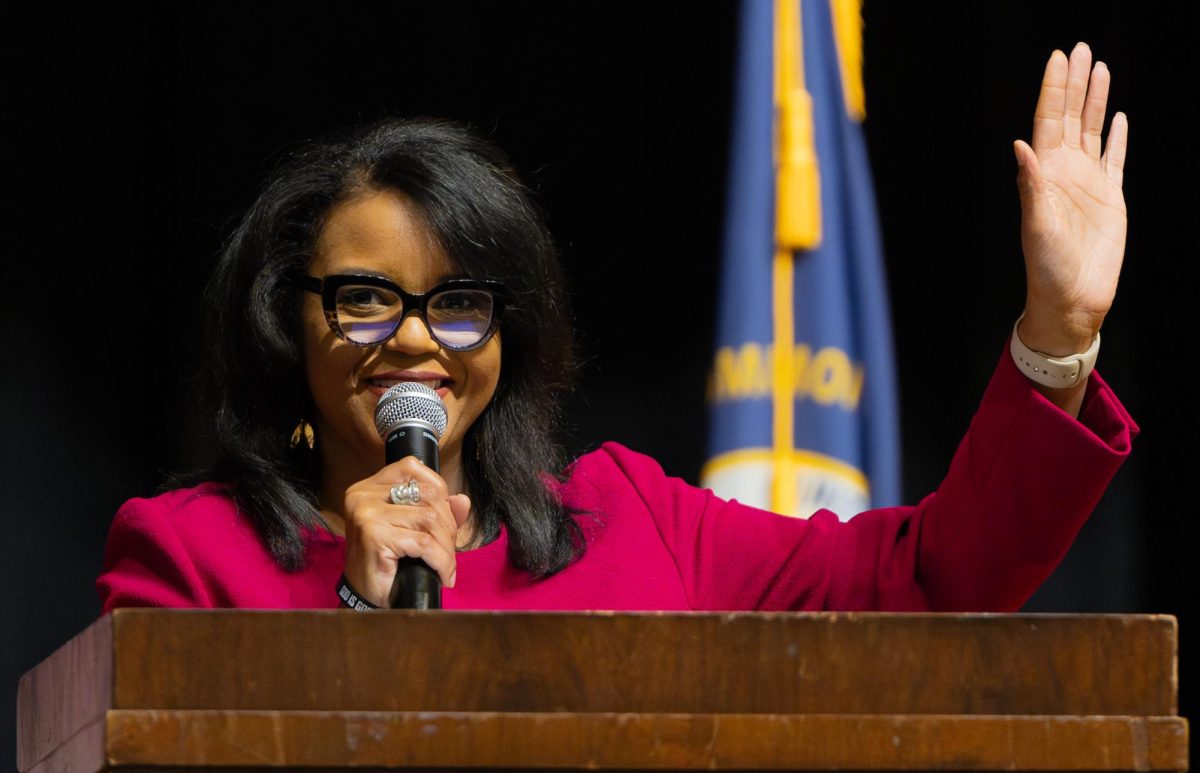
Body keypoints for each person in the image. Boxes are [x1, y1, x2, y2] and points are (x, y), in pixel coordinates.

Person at [97, 43, 1135, 614]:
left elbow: (929, 574)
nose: (414, 339)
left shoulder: (628, 520)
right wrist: (358, 618)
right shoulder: (186, 557)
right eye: (366, 297)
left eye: (460, 304)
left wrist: (1058, 331)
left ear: (508, 337)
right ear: (292, 319)